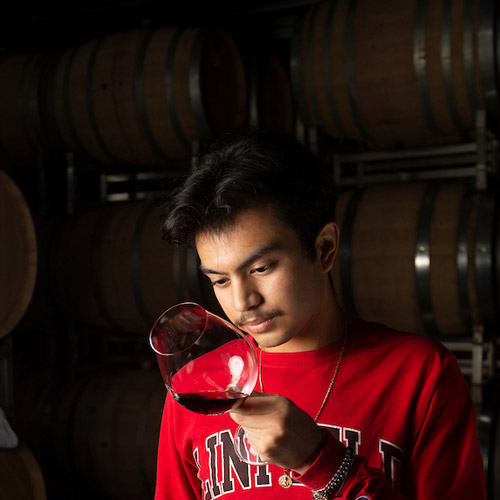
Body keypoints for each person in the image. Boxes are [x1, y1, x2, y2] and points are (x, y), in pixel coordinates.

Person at [155, 129, 486, 499]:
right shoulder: (196, 387)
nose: (242, 300)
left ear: (325, 248)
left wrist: (321, 462)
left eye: (262, 268)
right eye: (219, 280)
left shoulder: (421, 375)